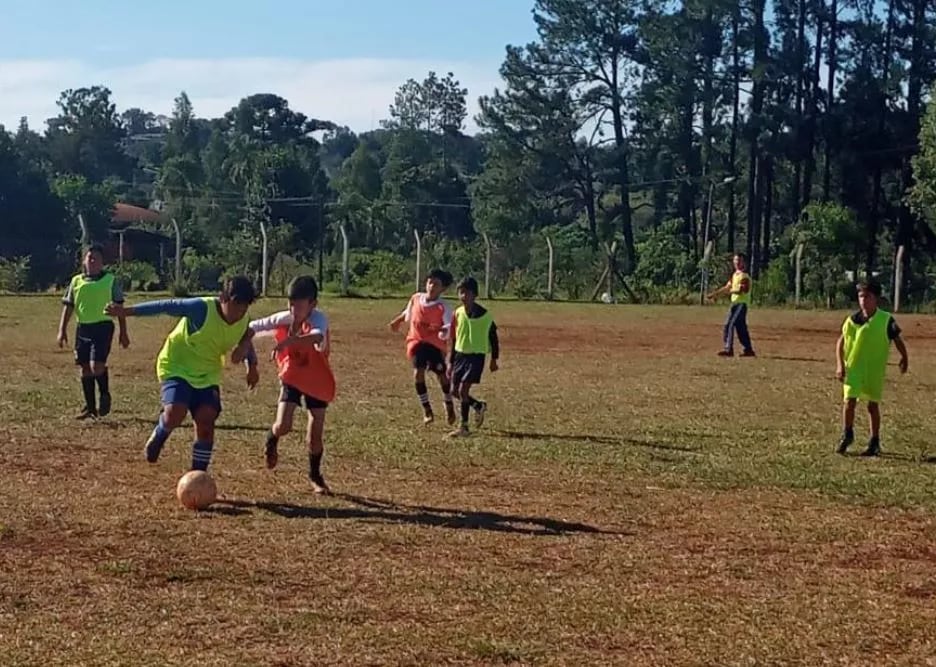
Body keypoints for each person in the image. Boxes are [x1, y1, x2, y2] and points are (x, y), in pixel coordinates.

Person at [104, 276, 259, 472]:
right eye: (236, 305)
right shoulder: (201, 309)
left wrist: (252, 366)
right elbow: (165, 305)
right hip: (177, 365)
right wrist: (125, 311)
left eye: (245, 307)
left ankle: (198, 475)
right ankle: (161, 433)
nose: (240, 312)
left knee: (206, 419)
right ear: (223, 298)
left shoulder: (243, 320)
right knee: (175, 413)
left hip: (207, 372)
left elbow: (245, 337)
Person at [249, 276, 335, 495]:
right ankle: (272, 437)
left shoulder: (319, 319)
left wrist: (289, 342)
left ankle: (315, 476)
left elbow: (316, 337)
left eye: (299, 304)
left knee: (315, 435)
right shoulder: (285, 318)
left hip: (317, 380)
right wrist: (242, 345)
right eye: (291, 303)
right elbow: (253, 326)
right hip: (292, 376)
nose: (293, 309)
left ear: (312, 304)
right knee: (283, 425)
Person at [835, 280, 908, 457]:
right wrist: (839, 364)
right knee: (849, 401)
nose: (863, 300)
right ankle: (847, 434)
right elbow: (841, 342)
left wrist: (904, 357)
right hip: (854, 368)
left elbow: (897, 339)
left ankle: (874, 440)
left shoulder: (886, 320)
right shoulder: (852, 321)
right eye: (860, 296)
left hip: (874, 370)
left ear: (876, 299)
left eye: (867, 296)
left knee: (872, 406)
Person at [57, 243, 130, 419]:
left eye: (96, 258)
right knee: (84, 368)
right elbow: (68, 307)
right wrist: (62, 330)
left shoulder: (110, 280)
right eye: (89, 257)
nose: (92, 261)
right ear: (84, 260)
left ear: (102, 262)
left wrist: (123, 332)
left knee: (96, 365)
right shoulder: (76, 281)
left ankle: (104, 394)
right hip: (83, 328)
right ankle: (90, 408)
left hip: (103, 327)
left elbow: (119, 307)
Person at [388, 269, 456, 426]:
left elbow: (448, 326)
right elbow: (408, 313)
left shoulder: (443, 306)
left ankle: (448, 404)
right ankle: (427, 410)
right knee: (418, 373)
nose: (431, 286)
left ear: (443, 289)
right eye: (430, 282)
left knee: (442, 376)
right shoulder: (416, 298)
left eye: (436, 284)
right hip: (416, 341)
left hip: (434, 345)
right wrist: (397, 321)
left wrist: (440, 330)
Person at [447, 276, 499, 438]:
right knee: (454, 391)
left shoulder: (485, 316)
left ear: (475, 295)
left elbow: (493, 338)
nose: (463, 296)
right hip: (460, 356)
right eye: (460, 292)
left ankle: (464, 427)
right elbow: (454, 338)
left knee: (463, 389)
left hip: (476, 357)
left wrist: (494, 359)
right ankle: (477, 405)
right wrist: (450, 361)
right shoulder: (457, 313)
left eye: (467, 293)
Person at [707, 253, 756, 357]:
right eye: (735, 260)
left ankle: (728, 349)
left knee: (729, 324)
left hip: (741, 305)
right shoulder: (735, 275)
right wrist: (715, 294)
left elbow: (741, 290)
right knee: (741, 328)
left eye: (739, 260)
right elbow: (727, 287)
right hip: (734, 304)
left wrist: (729, 292)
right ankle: (748, 350)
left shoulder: (744, 276)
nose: (737, 263)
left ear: (744, 263)